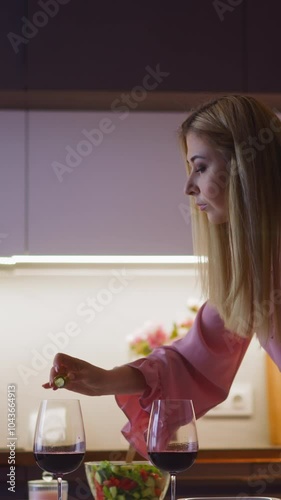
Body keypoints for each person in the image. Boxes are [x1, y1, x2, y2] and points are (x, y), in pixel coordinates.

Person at [43, 95, 281, 457]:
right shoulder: (255, 271)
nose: (189, 187)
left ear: (245, 165)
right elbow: (195, 358)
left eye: (200, 167)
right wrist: (104, 380)